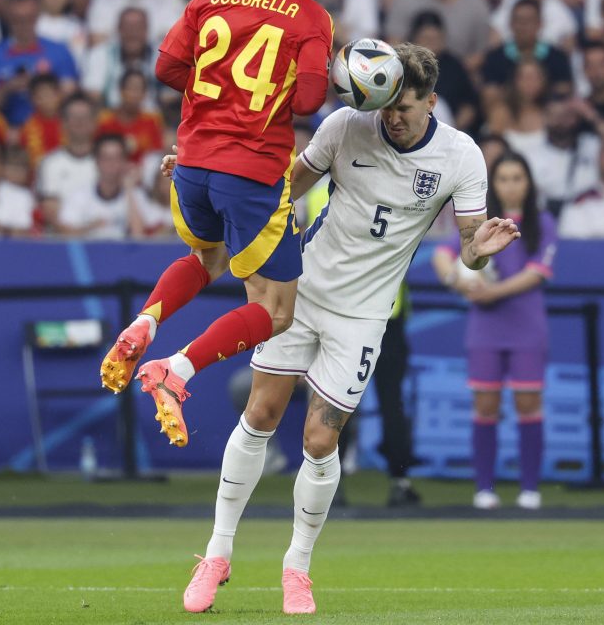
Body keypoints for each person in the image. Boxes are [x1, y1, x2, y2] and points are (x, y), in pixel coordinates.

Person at [179, 44, 519, 615]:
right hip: (302, 290)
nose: (392, 116)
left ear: (431, 101)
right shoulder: (345, 126)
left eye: (405, 108)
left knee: (320, 439)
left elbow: (469, 250)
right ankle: (216, 554)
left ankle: (298, 568)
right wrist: (203, 183)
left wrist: (479, 253)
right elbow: (280, 186)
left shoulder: (461, 157)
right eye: (387, 105)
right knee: (260, 414)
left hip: (364, 315)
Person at [96, 0, 371, 459]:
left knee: (206, 254)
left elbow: (167, 67)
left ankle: (145, 322)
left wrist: (216, 88)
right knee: (275, 312)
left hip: (191, 163)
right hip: (251, 172)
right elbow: (305, 99)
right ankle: (178, 368)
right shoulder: (310, 15)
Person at [433, 152, 554, 511]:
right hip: (485, 329)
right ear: (493, 184)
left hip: (527, 327)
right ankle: (484, 489)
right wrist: (457, 280)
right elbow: (443, 253)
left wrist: (490, 293)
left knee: (528, 405)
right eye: (504, 178)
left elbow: (536, 273)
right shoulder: (481, 223)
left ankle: (529, 488)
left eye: (518, 178)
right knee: (485, 406)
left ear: (528, 183)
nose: (511, 185)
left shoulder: (542, 223)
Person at [0, 0, 78, 127]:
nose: (23, 25)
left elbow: (71, 96)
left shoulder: (59, 52)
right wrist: (7, 88)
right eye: (17, 20)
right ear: (8, 18)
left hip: (52, 128)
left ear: (37, 17)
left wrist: (42, 87)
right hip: (9, 129)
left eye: (29, 19)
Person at [56, 134, 158, 239]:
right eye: (106, 158)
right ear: (96, 161)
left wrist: (129, 189)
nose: (111, 163)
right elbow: (65, 234)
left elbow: (139, 237)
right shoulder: (80, 196)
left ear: (124, 161)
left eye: (117, 158)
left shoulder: (136, 195)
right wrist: (92, 227)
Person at [36, 92, 98, 209]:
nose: (80, 122)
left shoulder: (107, 162)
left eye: (85, 117)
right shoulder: (49, 163)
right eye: (74, 117)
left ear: (94, 123)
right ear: (63, 123)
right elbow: (48, 210)